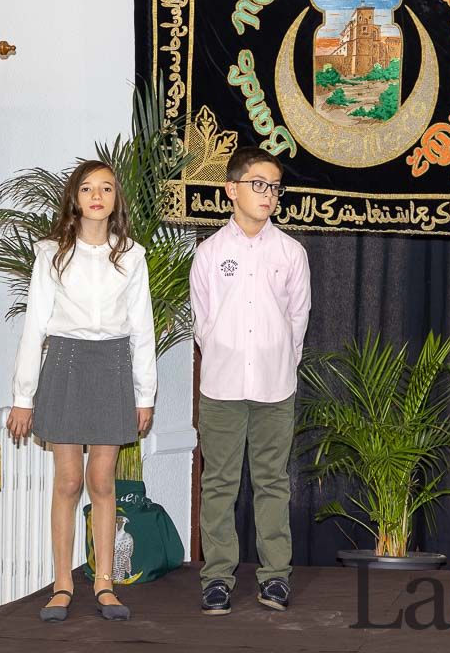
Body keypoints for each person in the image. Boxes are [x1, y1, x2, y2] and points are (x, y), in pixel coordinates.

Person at [5, 160, 157, 623]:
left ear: (115, 200)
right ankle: (63, 584)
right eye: (88, 188)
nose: (97, 195)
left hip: (113, 365)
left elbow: (143, 328)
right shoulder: (51, 253)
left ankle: (105, 584)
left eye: (106, 188)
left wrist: (144, 393)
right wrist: (23, 396)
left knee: (102, 482)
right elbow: (35, 327)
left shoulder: (132, 254)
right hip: (65, 365)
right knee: (69, 481)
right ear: (75, 198)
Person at [191, 147, 310, 615]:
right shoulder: (209, 253)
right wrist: (229, 356)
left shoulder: (291, 252)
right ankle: (217, 577)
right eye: (258, 184)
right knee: (219, 483)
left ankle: (275, 577)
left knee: (272, 483)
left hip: (275, 387)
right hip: (220, 387)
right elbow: (202, 322)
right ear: (231, 190)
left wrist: (277, 361)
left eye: (275, 187)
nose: (268, 195)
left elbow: (298, 319)